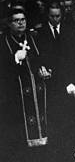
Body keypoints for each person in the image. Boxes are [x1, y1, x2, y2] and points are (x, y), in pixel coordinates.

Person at [0, 8, 51, 150]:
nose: (21, 23)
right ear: (9, 24)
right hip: (17, 97)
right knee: (21, 138)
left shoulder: (34, 37)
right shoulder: (3, 42)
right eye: (16, 20)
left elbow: (44, 58)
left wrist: (45, 69)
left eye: (23, 20)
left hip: (39, 92)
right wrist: (15, 58)